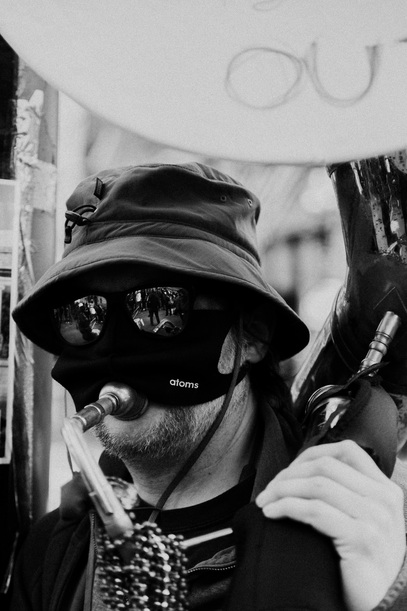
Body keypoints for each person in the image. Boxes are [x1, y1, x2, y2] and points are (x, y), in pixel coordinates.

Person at [8, 163, 407, 610]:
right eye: (82, 316)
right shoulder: (53, 555)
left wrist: (391, 597)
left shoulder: (370, 525)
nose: (113, 351)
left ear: (252, 335)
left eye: (160, 306)